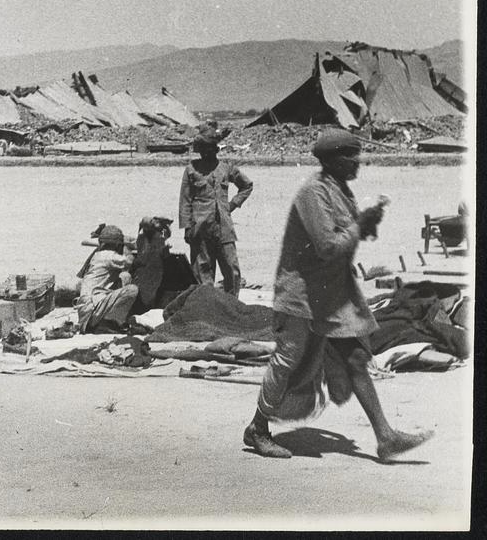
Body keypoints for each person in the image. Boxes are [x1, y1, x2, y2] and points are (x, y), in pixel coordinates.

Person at [244, 129, 434, 460]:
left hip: (332, 294)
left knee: (356, 358)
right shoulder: (312, 194)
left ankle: (386, 437)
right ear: (333, 160)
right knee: (289, 359)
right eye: (351, 155)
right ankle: (258, 429)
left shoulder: (340, 192)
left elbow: (349, 235)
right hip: (301, 293)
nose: (357, 161)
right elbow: (329, 246)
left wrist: (369, 221)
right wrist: (361, 223)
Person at [179, 126, 253, 295]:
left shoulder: (226, 168)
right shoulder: (192, 169)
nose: (207, 152)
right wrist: (187, 228)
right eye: (203, 149)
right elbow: (185, 200)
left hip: (224, 228)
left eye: (210, 148)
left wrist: (232, 205)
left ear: (216, 149)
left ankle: (231, 307)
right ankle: (207, 309)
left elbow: (247, 185)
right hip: (200, 229)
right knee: (202, 272)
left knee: (231, 270)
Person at [75, 225, 139, 333]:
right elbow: (130, 261)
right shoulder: (108, 256)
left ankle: (104, 322)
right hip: (92, 308)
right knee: (132, 289)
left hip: (88, 309)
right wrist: (127, 247)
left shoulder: (99, 255)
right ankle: (108, 323)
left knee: (123, 278)